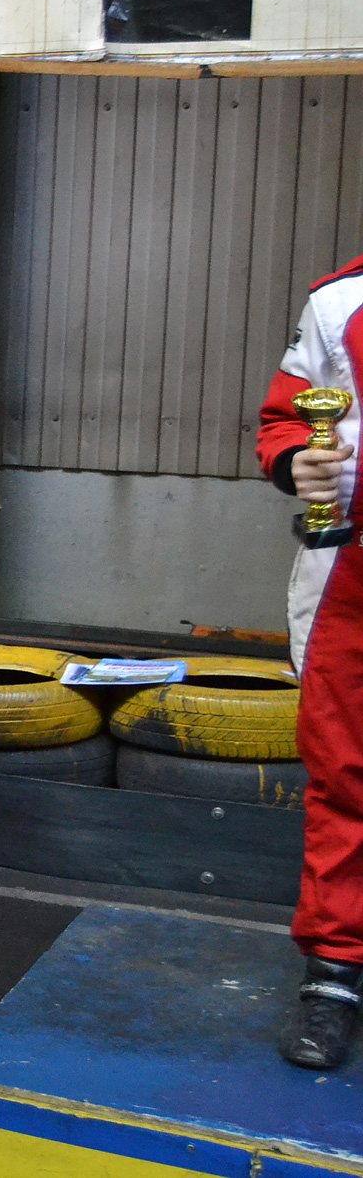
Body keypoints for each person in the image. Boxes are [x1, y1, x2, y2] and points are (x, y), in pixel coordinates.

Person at [255, 250, 363, 1072]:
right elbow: (285, 418)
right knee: (342, 775)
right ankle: (334, 975)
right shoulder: (337, 301)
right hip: (348, 577)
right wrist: (295, 459)